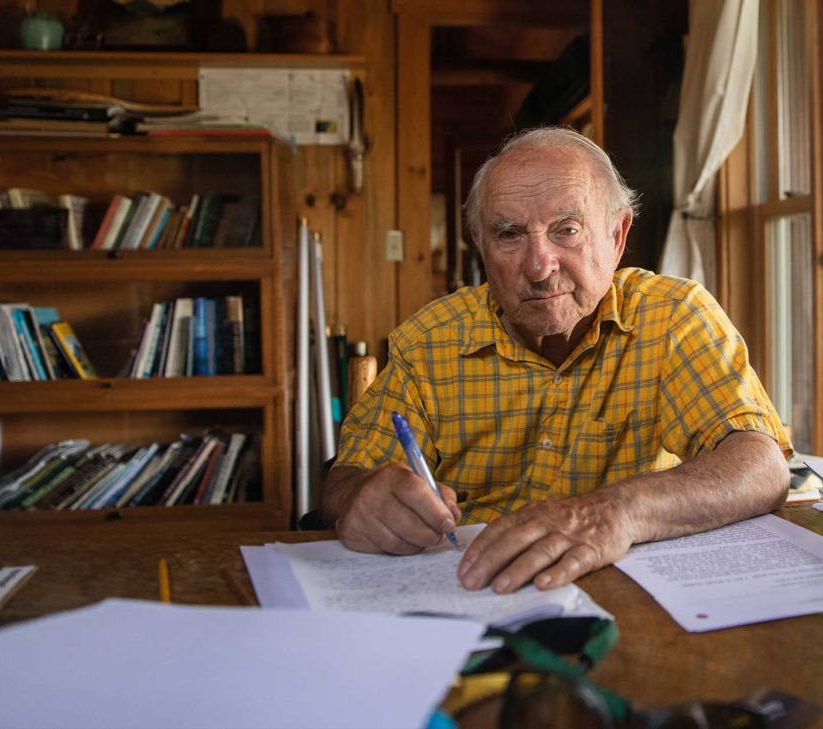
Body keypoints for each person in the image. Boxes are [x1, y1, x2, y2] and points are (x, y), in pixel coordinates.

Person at [322, 127, 791, 594]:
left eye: (567, 230)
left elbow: (761, 466)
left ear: (617, 234)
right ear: (480, 245)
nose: (539, 266)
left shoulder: (672, 318)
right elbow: (346, 479)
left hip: (626, 594)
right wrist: (360, 500)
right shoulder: (429, 342)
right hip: (467, 592)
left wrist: (613, 512)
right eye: (509, 234)